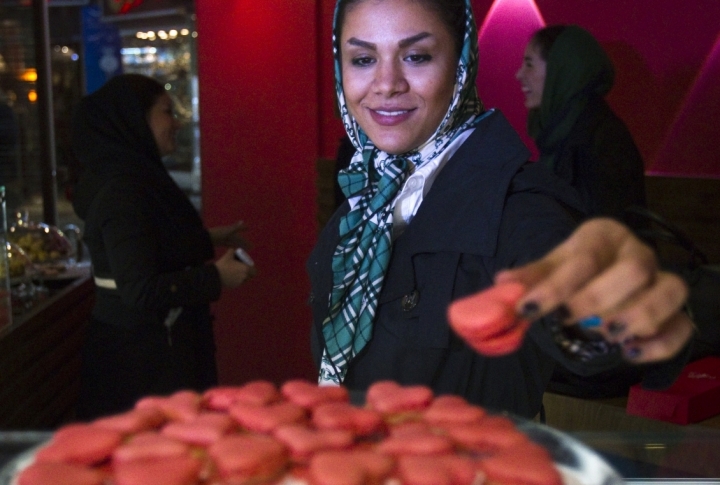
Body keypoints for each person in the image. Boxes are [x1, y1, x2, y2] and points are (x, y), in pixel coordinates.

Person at [307, 0, 692, 418]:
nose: (386, 83)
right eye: (363, 59)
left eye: (416, 56)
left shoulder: (518, 205)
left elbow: (589, 326)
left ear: (461, 63)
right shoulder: (362, 201)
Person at [70, 74, 256, 420]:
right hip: (139, 368)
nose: (177, 123)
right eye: (167, 112)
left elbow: (150, 243)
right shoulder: (123, 190)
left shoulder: (135, 176)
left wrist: (208, 239)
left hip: (153, 354)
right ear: (135, 120)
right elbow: (139, 288)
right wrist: (216, 277)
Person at [516, 25, 647, 228]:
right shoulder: (565, 130)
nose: (519, 74)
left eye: (530, 64)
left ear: (561, 69)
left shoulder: (603, 138)